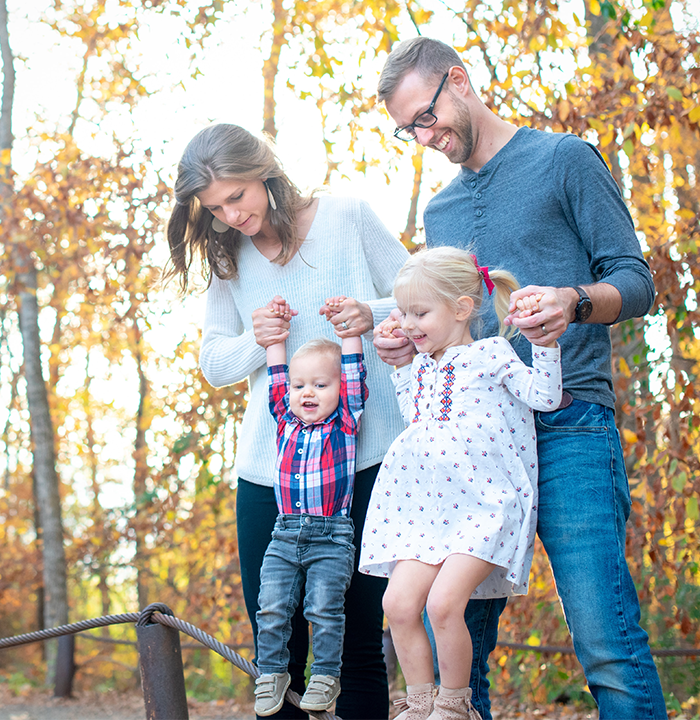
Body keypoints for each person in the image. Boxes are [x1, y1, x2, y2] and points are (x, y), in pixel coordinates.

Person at [373, 37, 666, 719]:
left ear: (458, 80)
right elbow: (456, 328)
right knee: (454, 654)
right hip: (469, 454)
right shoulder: (442, 211)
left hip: (569, 426)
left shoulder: (565, 159)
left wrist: (574, 301)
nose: (425, 137)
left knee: (604, 636)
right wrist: (409, 343)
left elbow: (637, 281)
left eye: (426, 117)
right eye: (409, 129)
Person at [166, 122, 409, 718]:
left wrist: (371, 313)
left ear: (265, 173)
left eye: (237, 196)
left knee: (356, 642)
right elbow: (214, 364)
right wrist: (256, 340)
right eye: (215, 208)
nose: (231, 216)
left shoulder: (347, 217)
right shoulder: (229, 257)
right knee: (276, 647)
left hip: (365, 463)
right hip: (270, 475)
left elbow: (423, 299)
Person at [359, 248, 562, 719]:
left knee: (443, 605)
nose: (407, 323)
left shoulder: (491, 354)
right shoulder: (422, 364)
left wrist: (546, 346)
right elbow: (415, 417)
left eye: (419, 312)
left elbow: (545, 397)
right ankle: (419, 704)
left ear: (461, 308)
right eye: (402, 312)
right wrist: (402, 369)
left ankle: (454, 704)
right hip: (425, 510)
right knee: (397, 603)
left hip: (483, 506)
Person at [252, 296, 367, 715]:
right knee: (271, 606)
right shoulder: (284, 419)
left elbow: (353, 374)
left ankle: (325, 676)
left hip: (331, 537)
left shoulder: (345, 421)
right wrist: (276, 338)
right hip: (283, 533)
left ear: (339, 390)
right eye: (300, 386)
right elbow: (277, 377)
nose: (308, 393)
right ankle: (271, 672)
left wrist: (349, 333)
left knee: (323, 609)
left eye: (320, 385)